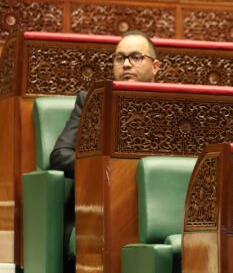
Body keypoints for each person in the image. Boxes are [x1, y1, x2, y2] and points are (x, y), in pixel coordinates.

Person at [49, 30, 161, 272]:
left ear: (155, 67)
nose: (126, 64)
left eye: (136, 57)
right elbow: (60, 155)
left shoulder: (170, 105)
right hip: (98, 206)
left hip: (156, 207)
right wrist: (108, 168)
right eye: (120, 58)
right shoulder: (91, 101)